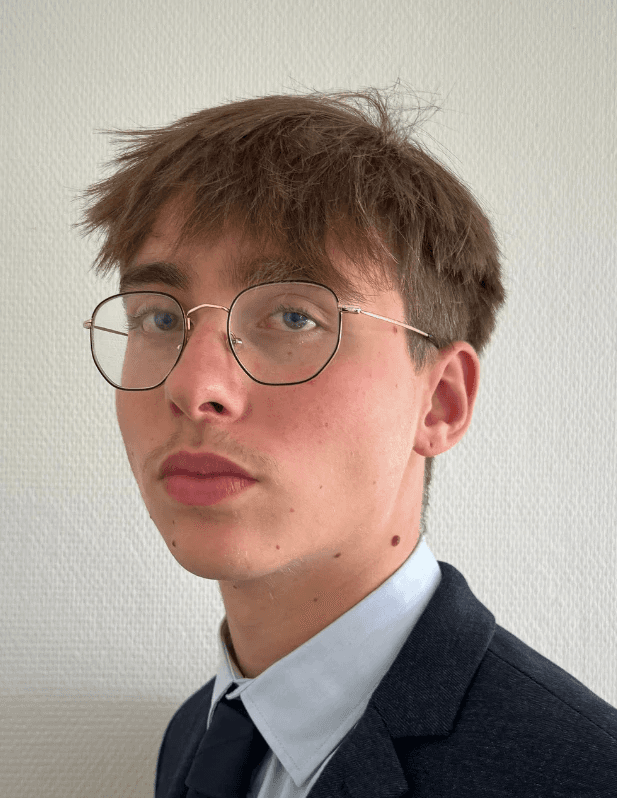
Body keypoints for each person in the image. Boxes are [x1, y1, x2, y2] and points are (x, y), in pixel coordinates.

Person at [79, 88, 617, 797]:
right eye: (157, 318)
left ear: (439, 401)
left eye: (294, 316)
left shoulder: (577, 773)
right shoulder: (196, 734)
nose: (194, 384)